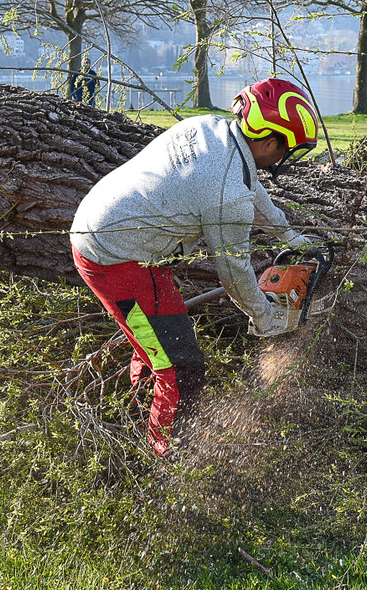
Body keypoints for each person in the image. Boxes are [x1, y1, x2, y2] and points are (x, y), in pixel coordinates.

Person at [70, 78, 319, 457]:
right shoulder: (225, 193)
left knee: (158, 343)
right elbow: (235, 274)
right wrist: (266, 319)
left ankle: (137, 411)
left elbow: (248, 186)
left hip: (122, 238)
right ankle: (164, 459)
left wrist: (291, 237)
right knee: (181, 369)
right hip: (114, 262)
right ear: (269, 143)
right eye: (288, 150)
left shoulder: (210, 129)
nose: (286, 158)